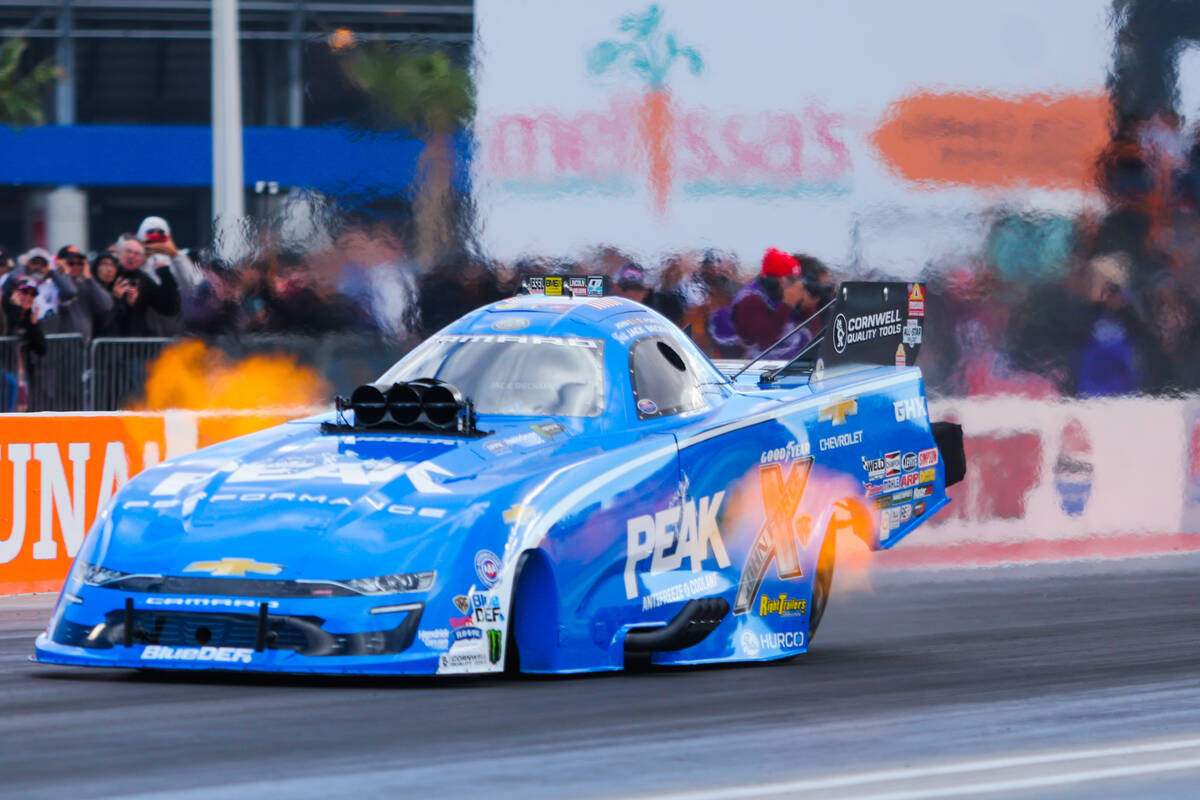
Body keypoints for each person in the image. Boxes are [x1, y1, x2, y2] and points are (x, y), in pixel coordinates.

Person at [728, 248, 814, 358]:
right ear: (772, 281)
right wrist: (788, 304)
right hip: (758, 367)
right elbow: (766, 342)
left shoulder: (779, 296)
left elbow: (810, 329)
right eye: (791, 279)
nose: (795, 285)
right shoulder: (750, 301)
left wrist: (806, 306)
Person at [57, 245, 114, 343]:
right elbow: (69, 291)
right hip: (59, 346)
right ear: (61, 264)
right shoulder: (54, 284)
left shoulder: (86, 285)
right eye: (70, 263)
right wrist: (65, 274)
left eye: (80, 263)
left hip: (82, 347)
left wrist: (89, 277)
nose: (76, 266)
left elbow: (107, 305)